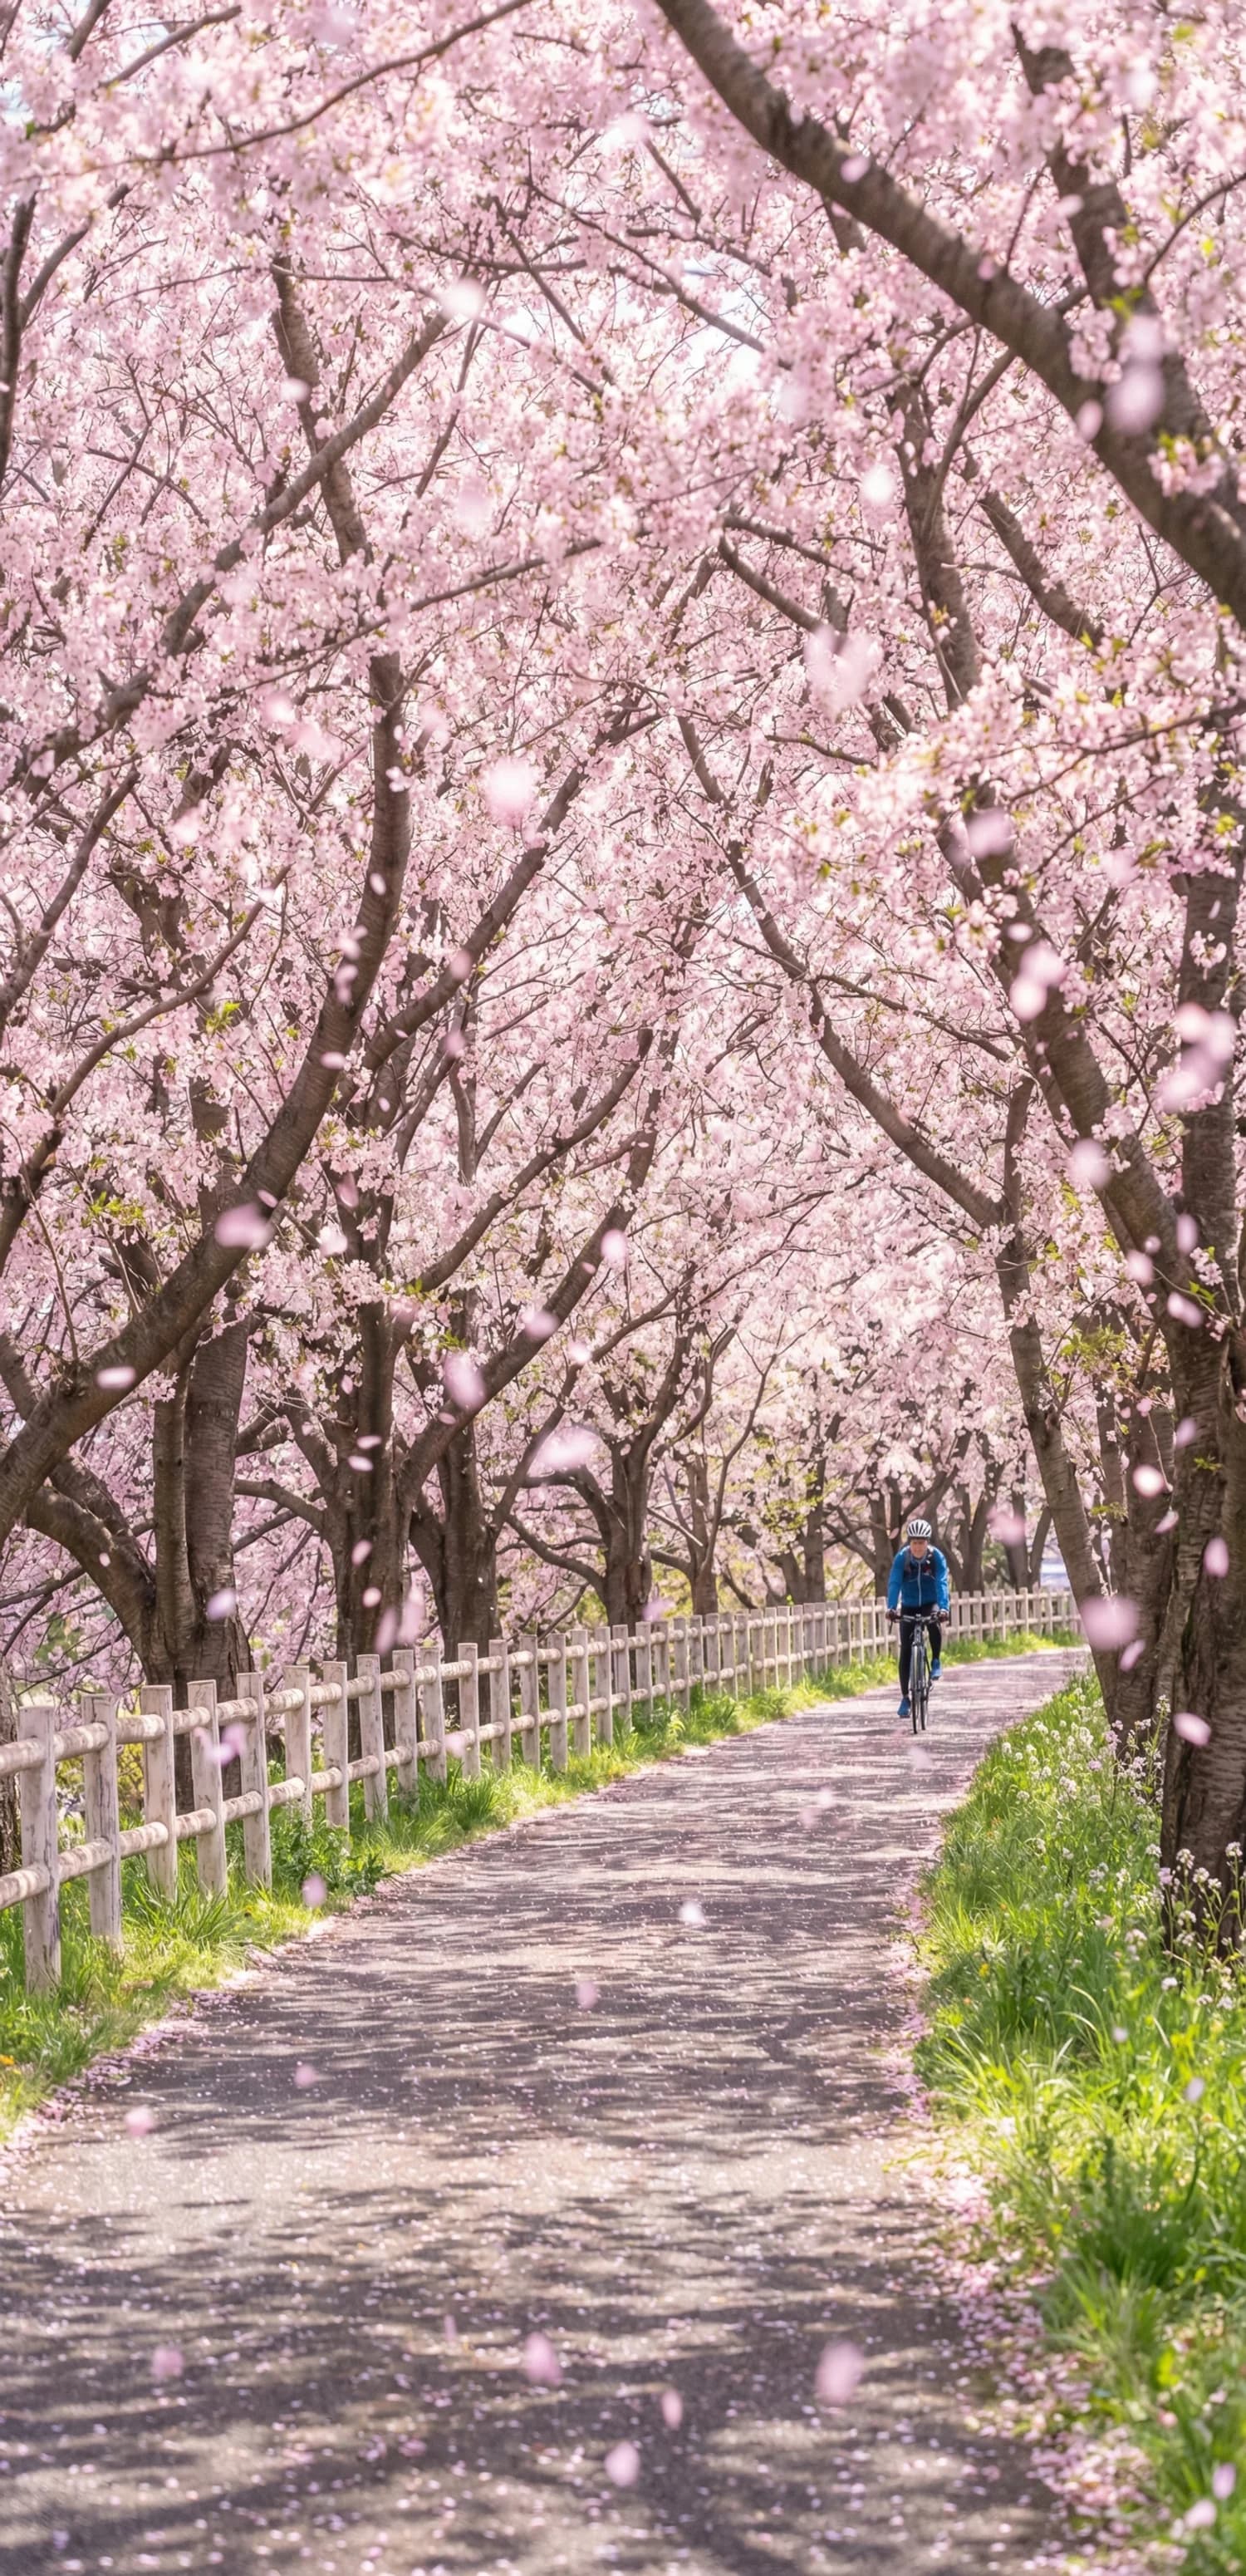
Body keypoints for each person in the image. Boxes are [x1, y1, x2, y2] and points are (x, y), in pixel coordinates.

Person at [885, 1517, 951, 1720]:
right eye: (914, 1543)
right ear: (910, 1543)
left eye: (921, 1543)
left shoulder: (936, 1557)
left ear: (927, 1542)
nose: (917, 1547)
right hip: (909, 1604)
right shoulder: (902, 1558)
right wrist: (891, 1607)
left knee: (934, 1624)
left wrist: (944, 1608)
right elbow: (894, 1582)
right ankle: (905, 1698)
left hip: (930, 1602)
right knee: (906, 1649)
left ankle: (936, 1660)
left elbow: (942, 1582)